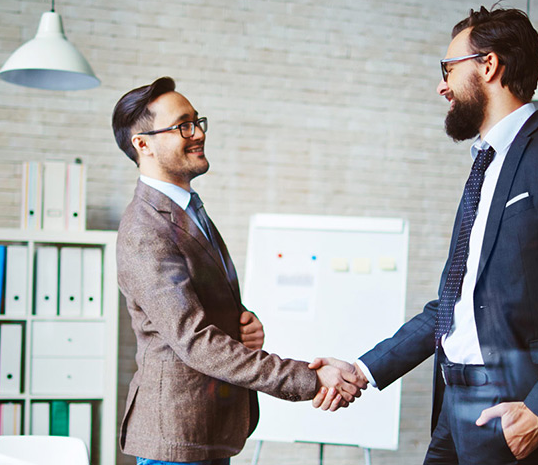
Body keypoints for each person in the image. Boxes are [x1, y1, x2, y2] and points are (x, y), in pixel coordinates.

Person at [311, 6, 538, 464]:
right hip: (453, 401)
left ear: (488, 66)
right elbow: (453, 304)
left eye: (448, 69)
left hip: (514, 407)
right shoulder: (482, 168)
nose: (441, 85)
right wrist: (363, 369)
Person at [112, 77, 363, 465]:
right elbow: (194, 340)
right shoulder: (145, 229)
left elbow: (202, 307)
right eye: (182, 125)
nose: (197, 134)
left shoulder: (187, 210)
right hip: (176, 440)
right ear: (142, 144)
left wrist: (244, 324)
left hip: (207, 429)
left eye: (198, 122)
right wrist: (310, 378)